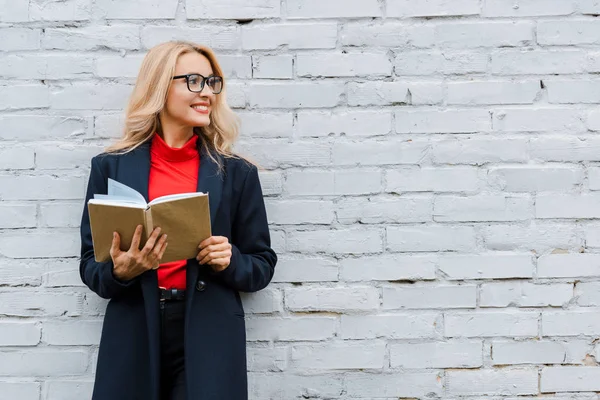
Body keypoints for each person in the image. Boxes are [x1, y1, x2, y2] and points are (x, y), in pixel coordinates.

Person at [79, 40, 277, 400]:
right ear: (160, 86)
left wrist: (229, 258)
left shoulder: (237, 173)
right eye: (194, 81)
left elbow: (261, 265)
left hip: (208, 333)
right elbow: (90, 266)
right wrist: (121, 270)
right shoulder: (110, 167)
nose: (207, 93)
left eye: (212, 82)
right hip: (135, 330)